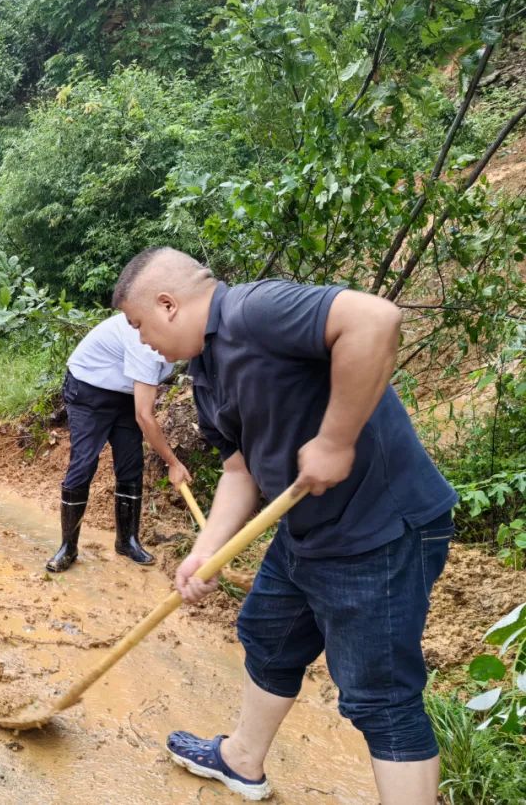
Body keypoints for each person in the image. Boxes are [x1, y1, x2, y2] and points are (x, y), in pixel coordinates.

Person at [112, 248, 457, 804]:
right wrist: (205, 551)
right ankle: (241, 760)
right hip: (305, 533)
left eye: (138, 324)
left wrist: (336, 439)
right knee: (268, 637)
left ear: (168, 304)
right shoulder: (207, 376)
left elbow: (375, 319)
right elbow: (239, 470)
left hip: (379, 532)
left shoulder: (254, 310)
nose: (141, 340)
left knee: (380, 697)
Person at [47, 312, 192, 573]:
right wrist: (172, 462)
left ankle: (127, 541)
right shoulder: (147, 344)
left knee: (131, 464)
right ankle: (68, 547)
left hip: (126, 394)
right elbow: (145, 416)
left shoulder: (178, 334)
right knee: (84, 464)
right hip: (89, 390)